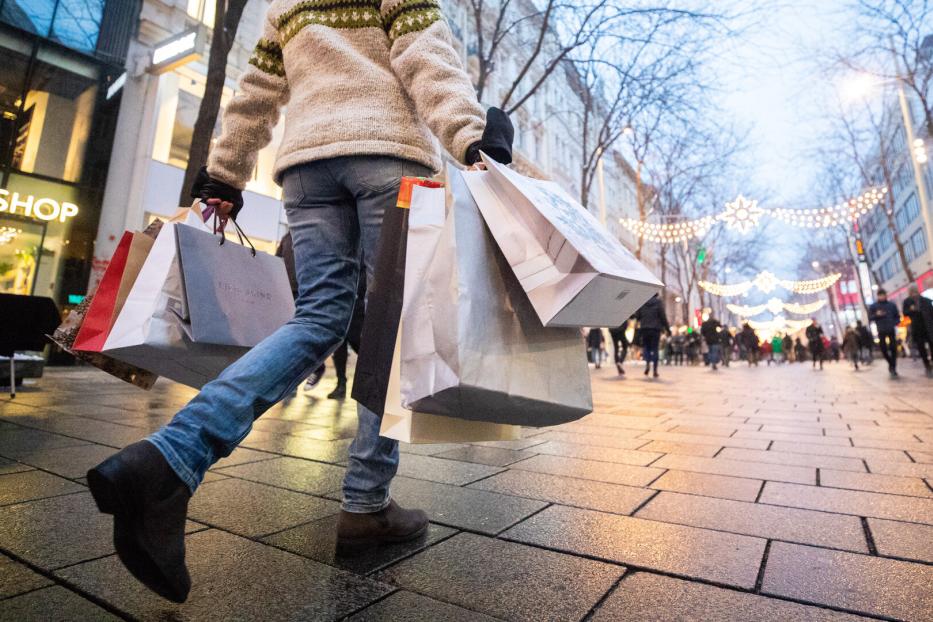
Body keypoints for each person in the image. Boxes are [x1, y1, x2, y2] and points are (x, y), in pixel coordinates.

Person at [85, 0, 515, 603]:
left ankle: (170, 457)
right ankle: (366, 504)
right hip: (388, 156)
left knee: (317, 318)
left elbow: (259, 87)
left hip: (307, 170)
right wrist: (472, 138)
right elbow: (426, 57)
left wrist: (225, 174)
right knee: (392, 330)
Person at [634, 293, 670, 378]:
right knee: (655, 349)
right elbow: (663, 317)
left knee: (646, 347)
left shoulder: (642, 302)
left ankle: (647, 365)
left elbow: (637, 316)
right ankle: (655, 370)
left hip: (645, 328)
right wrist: (667, 329)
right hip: (655, 329)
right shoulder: (658, 302)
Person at [869, 288, 901, 377]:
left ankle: (893, 366)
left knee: (893, 348)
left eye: (883, 295)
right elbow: (870, 318)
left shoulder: (891, 305)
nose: (882, 297)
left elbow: (897, 317)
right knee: (883, 349)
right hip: (881, 330)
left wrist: (893, 322)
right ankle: (891, 363)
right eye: (880, 295)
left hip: (891, 329)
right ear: (878, 296)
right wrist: (877, 315)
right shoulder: (874, 306)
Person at [903, 284, 933, 377]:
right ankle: (927, 366)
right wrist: (911, 310)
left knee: (932, 345)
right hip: (917, 328)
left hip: (928, 327)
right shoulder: (907, 302)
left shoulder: (925, 300)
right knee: (921, 348)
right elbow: (905, 313)